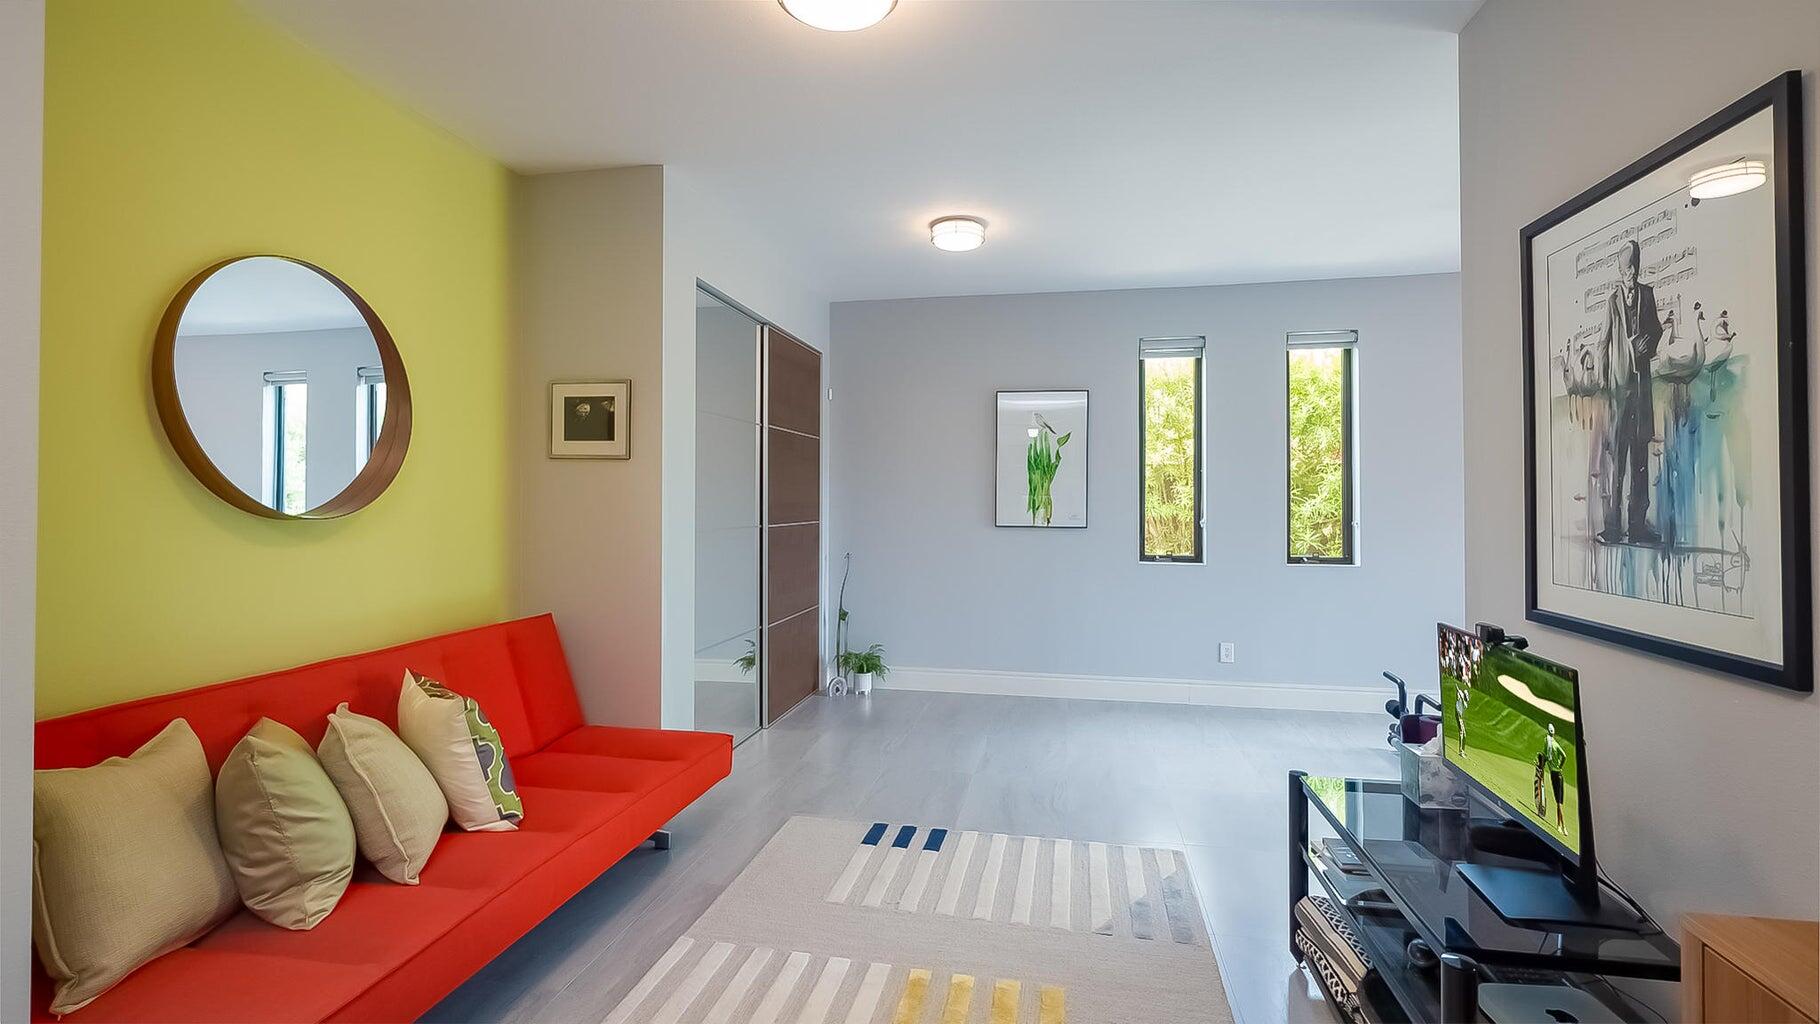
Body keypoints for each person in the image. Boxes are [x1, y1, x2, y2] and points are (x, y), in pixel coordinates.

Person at [1596, 240, 1663, 544]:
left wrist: (1648, 343)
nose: (1631, 273)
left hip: (1641, 391)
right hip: (1618, 393)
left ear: (1638, 267)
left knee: (1640, 460)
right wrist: (1604, 388)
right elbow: (1602, 345)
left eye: (1634, 267)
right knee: (1616, 462)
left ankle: (1637, 527)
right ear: (1619, 271)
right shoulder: (1611, 302)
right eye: (1626, 268)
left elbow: (1657, 330)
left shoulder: (1647, 295)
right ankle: (1612, 528)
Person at [1543, 723, 1568, 833]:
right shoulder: (1556, 745)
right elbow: (1564, 756)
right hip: (1560, 775)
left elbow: (1544, 755)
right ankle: (1559, 825)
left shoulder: (1547, 742)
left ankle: (1563, 826)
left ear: (1548, 731)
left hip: (1554, 775)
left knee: (1558, 802)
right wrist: (1560, 766)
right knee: (1560, 802)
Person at [1454, 682, 1471, 751]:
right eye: (1466, 695)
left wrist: (1459, 692)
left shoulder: (1465, 704)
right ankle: (1461, 751)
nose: (1467, 697)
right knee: (1461, 732)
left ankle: (1462, 750)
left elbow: (1461, 698)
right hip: (1458, 715)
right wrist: (1458, 691)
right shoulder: (1460, 697)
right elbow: (1458, 696)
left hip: (1460, 717)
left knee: (1464, 734)